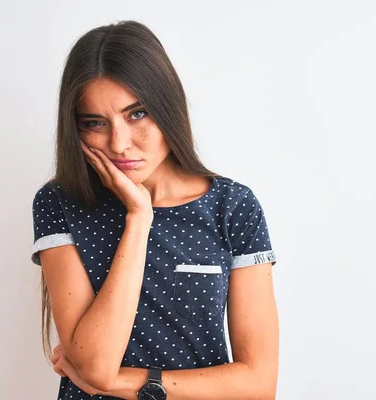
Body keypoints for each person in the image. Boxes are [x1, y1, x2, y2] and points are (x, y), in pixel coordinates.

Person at [30, 20, 279, 400]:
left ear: (167, 105)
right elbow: (95, 365)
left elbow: (259, 385)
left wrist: (126, 383)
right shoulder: (60, 204)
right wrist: (138, 218)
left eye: (137, 114)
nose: (119, 143)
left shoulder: (232, 207)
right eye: (95, 123)